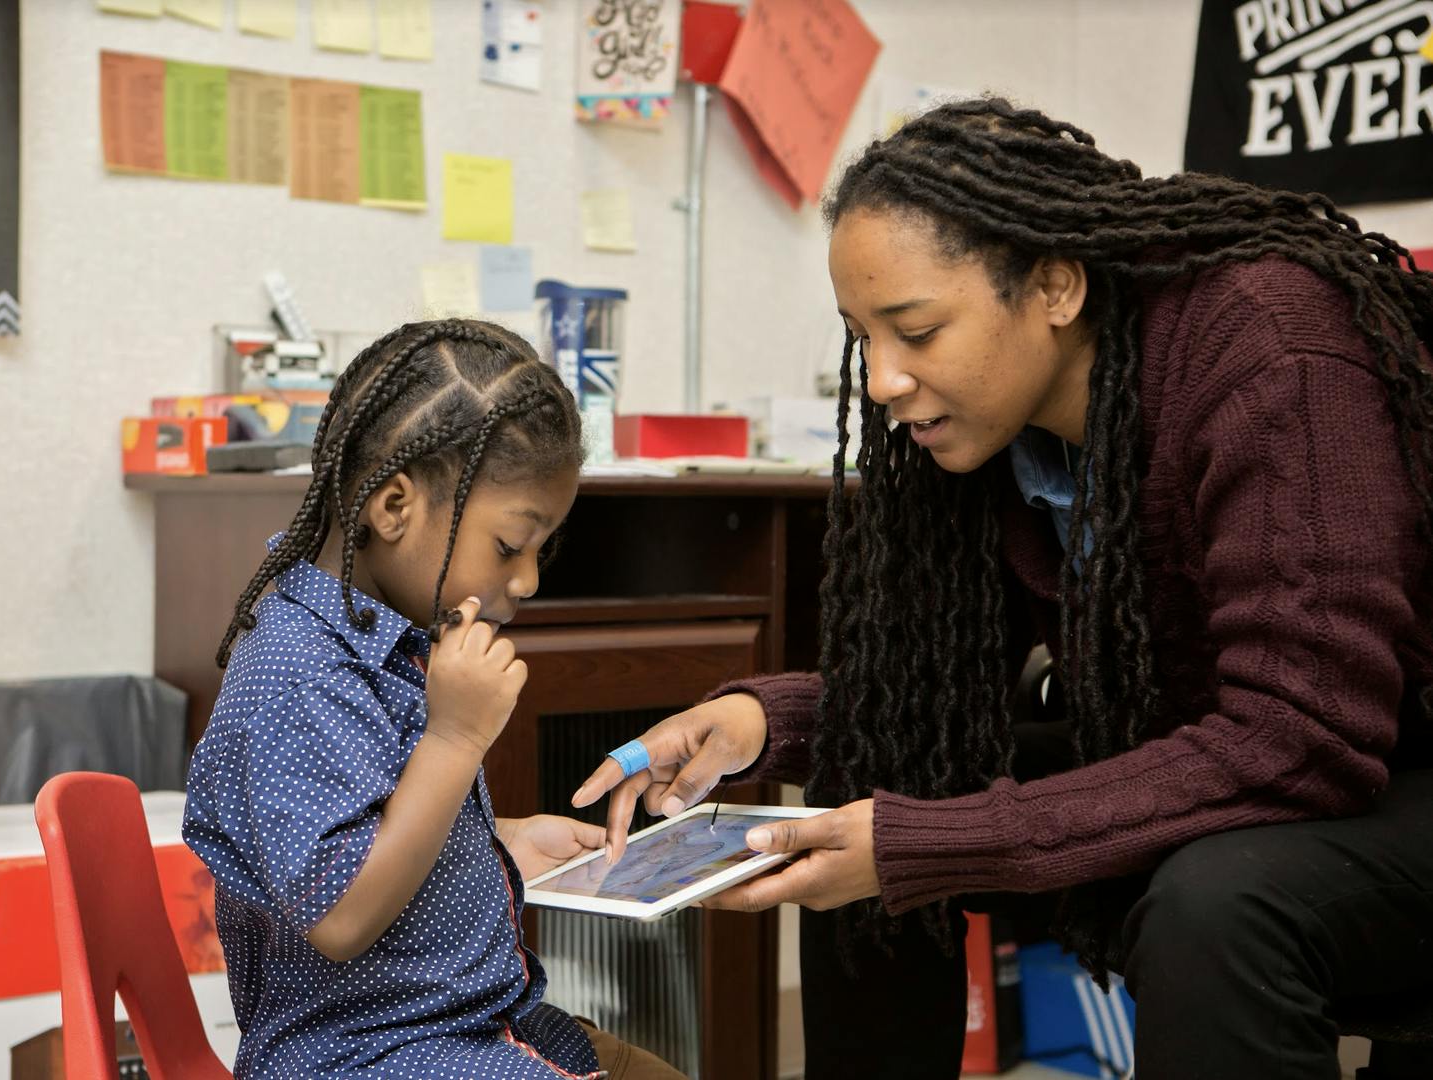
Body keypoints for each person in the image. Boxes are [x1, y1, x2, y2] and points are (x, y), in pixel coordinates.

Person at [573, 98, 1433, 1080]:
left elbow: (1302, 738)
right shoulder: (986, 435)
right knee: (874, 772)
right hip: (1246, 752)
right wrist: (765, 723)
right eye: (865, 339)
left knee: (1218, 902)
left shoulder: (1270, 347)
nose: (887, 380)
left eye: (918, 330)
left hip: (1385, 771)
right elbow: (936, 710)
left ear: (1056, 285)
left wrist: (923, 843)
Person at [183, 319, 685, 1080]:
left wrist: (496, 847)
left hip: (459, 1026)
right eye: (510, 547)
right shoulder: (294, 672)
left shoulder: (378, 641)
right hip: (367, 1055)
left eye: (540, 552)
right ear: (393, 509)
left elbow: (372, 821)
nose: (528, 582)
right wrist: (455, 739)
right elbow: (342, 913)